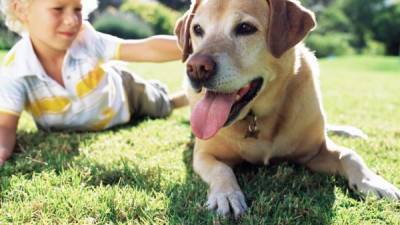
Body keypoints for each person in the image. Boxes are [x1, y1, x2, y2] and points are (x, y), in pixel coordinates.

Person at [0, 0, 188, 166]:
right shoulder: (15, 70)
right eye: (58, 9)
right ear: (21, 10)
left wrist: (194, 45)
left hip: (125, 93)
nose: (72, 20)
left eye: (77, 9)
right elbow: (5, 126)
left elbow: (146, 49)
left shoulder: (87, 39)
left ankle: (175, 98)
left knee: (161, 107)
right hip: (98, 114)